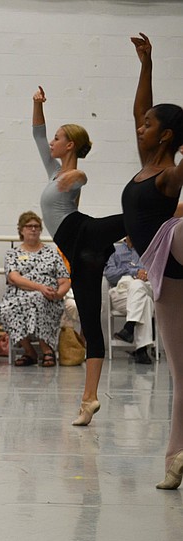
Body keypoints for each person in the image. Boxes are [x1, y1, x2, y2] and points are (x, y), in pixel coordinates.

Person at [32, 85, 126, 426]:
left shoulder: (71, 176)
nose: (52, 142)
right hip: (79, 255)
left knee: (136, 217)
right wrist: (37, 104)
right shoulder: (52, 171)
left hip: (86, 232)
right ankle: (89, 400)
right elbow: (37, 135)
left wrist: (80, 174)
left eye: (58, 138)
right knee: (90, 323)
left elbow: (81, 178)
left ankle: (172, 212)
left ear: (70, 145)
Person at [123, 33, 183, 489]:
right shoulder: (147, 162)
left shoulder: (168, 175)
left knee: (178, 226)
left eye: (149, 124)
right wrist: (146, 65)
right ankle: (175, 460)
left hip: (175, 246)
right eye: (141, 124)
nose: (141, 126)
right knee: (181, 373)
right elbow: (139, 109)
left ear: (166, 135)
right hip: (165, 273)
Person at [0, 211, 70, 368]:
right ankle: (30, 351)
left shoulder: (52, 253)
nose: (33, 229)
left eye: (36, 226)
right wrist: (39, 287)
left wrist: (57, 294)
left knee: (38, 299)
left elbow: (65, 281)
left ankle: (46, 349)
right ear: (21, 230)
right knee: (5, 308)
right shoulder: (13, 254)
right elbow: (14, 278)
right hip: (18, 295)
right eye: (29, 226)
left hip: (49, 297)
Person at [104, 237, 154, 364]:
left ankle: (129, 327)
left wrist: (145, 275)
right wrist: (134, 271)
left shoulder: (147, 250)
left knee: (137, 285)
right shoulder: (114, 250)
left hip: (143, 287)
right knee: (146, 302)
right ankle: (141, 351)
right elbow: (109, 274)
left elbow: (155, 272)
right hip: (122, 293)